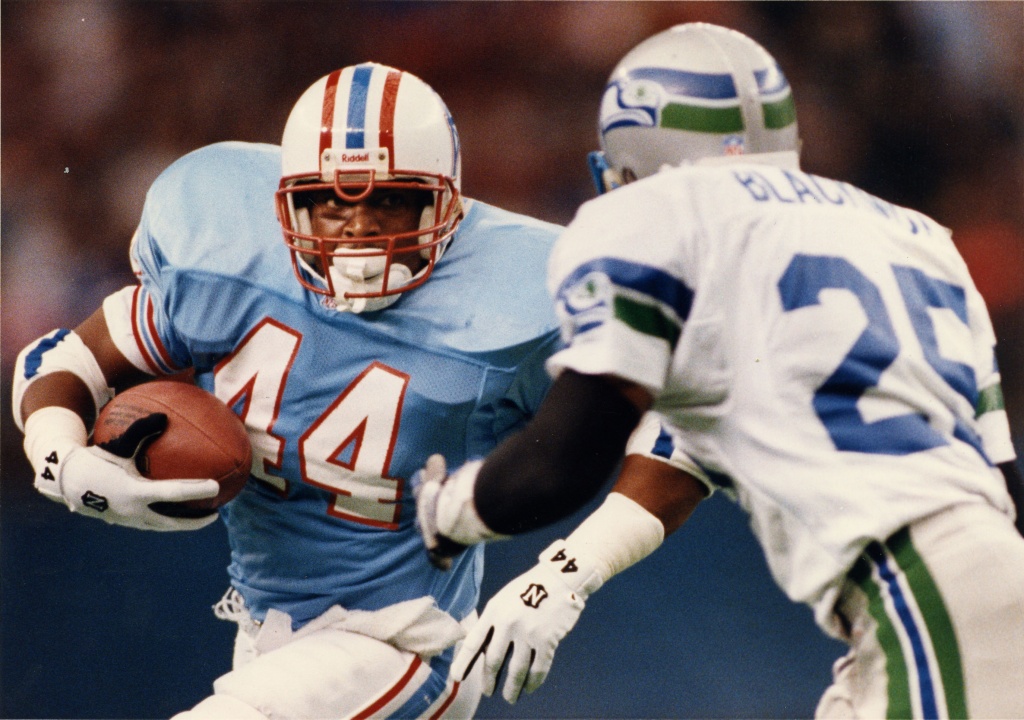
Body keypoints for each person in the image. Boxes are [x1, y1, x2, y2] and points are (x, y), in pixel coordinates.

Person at [414, 23, 1024, 718]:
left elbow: (570, 455)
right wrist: (567, 571)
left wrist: (454, 510)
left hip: (919, 596)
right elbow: (1002, 484)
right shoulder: (918, 237)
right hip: (952, 593)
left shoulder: (661, 216)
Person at [12, 62, 572, 719]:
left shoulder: (518, 297)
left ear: (445, 204)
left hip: (403, 647)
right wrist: (61, 456)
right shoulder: (227, 258)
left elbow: (655, 423)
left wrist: (569, 572)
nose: (359, 228)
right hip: (267, 637)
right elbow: (69, 358)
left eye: (390, 200)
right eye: (332, 201)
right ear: (288, 203)